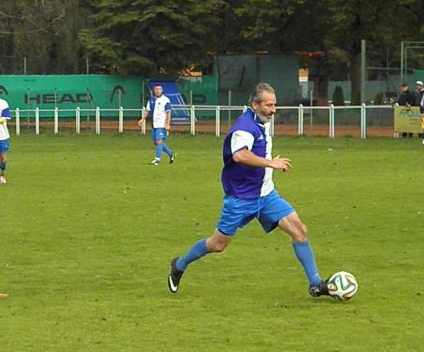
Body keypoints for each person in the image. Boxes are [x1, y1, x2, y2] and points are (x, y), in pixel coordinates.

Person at [167, 83, 337, 298]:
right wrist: (270, 163)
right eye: (269, 105)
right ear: (254, 105)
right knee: (217, 245)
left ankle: (315, 284)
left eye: (275, 105)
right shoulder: (244, 128)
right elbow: (240, 155)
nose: (273, 110)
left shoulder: (261, 121)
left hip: (267, 196)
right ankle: (180, 265)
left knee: (299, 230)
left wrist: (268, 167)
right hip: (240, 199)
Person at [138, 84, 175, 165]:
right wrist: (142, 119)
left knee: (159, 141)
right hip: (154, 124)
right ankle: (171, 153)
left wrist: (167, 124)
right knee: (156, 143)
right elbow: (147, 110)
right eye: (156, 89)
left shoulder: (166, 100)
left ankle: (157, 160)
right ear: (154, 91)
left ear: (162, 90)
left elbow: (168, 112)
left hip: (161, 124)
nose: (158, 91)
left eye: (159, 89)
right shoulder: (151, 100)